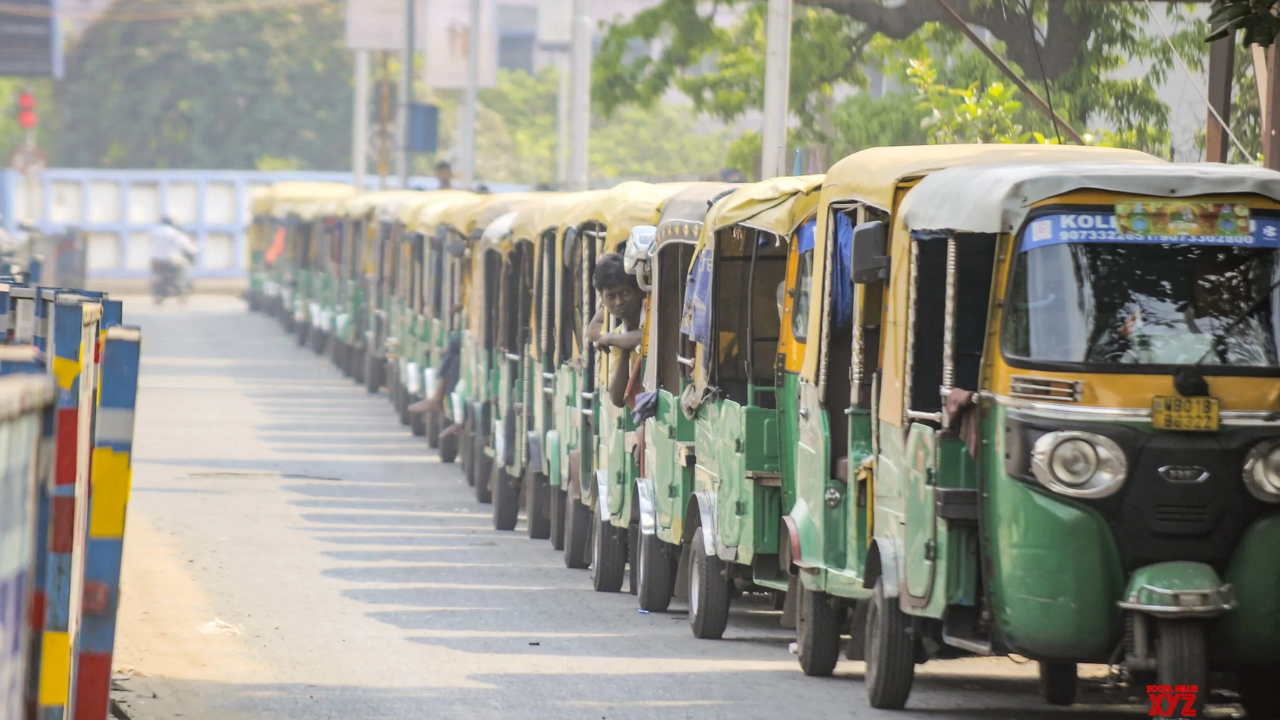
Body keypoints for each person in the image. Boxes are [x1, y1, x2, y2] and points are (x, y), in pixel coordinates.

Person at [586, 253, 645, 409]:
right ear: (603, 299)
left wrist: (610, 339)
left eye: (625, 293)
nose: (618, 302)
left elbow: (649, 336)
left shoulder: (656, 315)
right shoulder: (620, 335)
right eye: (611, 296)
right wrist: (624, 348)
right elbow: (618, 399)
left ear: (639, 291)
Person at [149, 217, 198, 295]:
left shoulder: (154, 232)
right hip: (170, 259)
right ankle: (180, 285)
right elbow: (185, 245)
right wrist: (193, 251)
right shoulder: (174, 233)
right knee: (184, 266)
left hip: (155, 259)